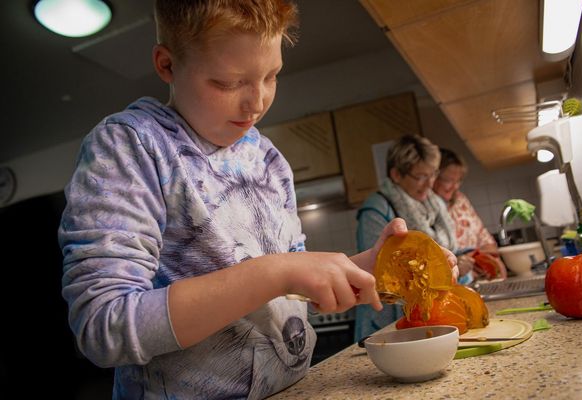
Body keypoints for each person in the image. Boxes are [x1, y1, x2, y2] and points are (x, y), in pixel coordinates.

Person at [57, 1, 429, 398]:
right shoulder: (131, 146)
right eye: (228, 82)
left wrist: (359, 270)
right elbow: (104, 327)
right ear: (166, 64)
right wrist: (275, 271)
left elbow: (290, 288)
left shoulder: (268, 159)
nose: (257, 102)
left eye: (272, 75)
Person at [354, 134, 458, 341]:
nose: (429, 184)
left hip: (423, 317)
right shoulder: (375, 210)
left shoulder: (433, 205)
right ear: (396, 174)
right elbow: (383, 274)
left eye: (432, 175)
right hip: (385, 323)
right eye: (420, 177)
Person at [433, 148, 507, 283]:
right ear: (434, 177)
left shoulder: (461, 199)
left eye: (458, 181)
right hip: (455, 282)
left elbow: (486, 241)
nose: (455, 187)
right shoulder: (427, 209)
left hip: (479, 280)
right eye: (449, 180)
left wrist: (483, 257)